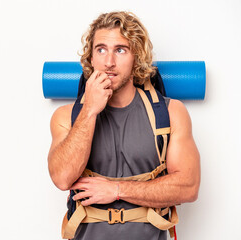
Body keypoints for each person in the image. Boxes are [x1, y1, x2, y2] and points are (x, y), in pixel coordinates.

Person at [47, 11, 200, 240]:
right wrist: (89, 110)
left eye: (120, 50)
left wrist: (117, 191)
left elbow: (188, 187)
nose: (109, 62)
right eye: (101, 50)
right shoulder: (66, 116)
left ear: (136, 57)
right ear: (91, 58)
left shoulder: (170, 113)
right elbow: (62, 178)